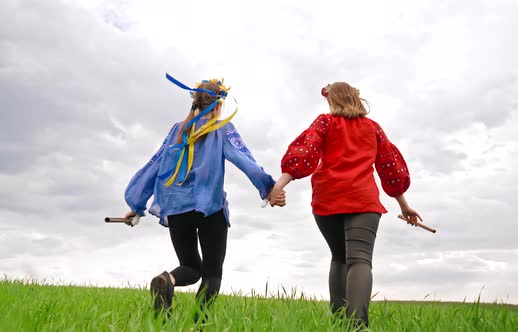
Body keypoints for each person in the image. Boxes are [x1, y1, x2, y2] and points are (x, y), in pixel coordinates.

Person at [122, 74, 286, 320]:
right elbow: (244, 160)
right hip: (210, 207)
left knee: (190, 267)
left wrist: (137, 204)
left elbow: (154, 165)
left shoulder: (177, 130)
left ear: (195, 102)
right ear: (218, 104)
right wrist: (269, 188)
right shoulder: (221, 127)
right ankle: (196, 326)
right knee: (211, 273)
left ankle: (167, 279)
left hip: (176, 206)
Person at [268, 82, 421, 328]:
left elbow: (305, 152)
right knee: (359, 260)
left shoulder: (325, 122)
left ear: (332, 101)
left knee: (339, 258)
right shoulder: (373, 128)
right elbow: (390, 168)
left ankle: (338, 324)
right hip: (364, 201)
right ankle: (357, 326)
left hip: (328, 200)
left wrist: (280, 184)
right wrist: (403, 204)